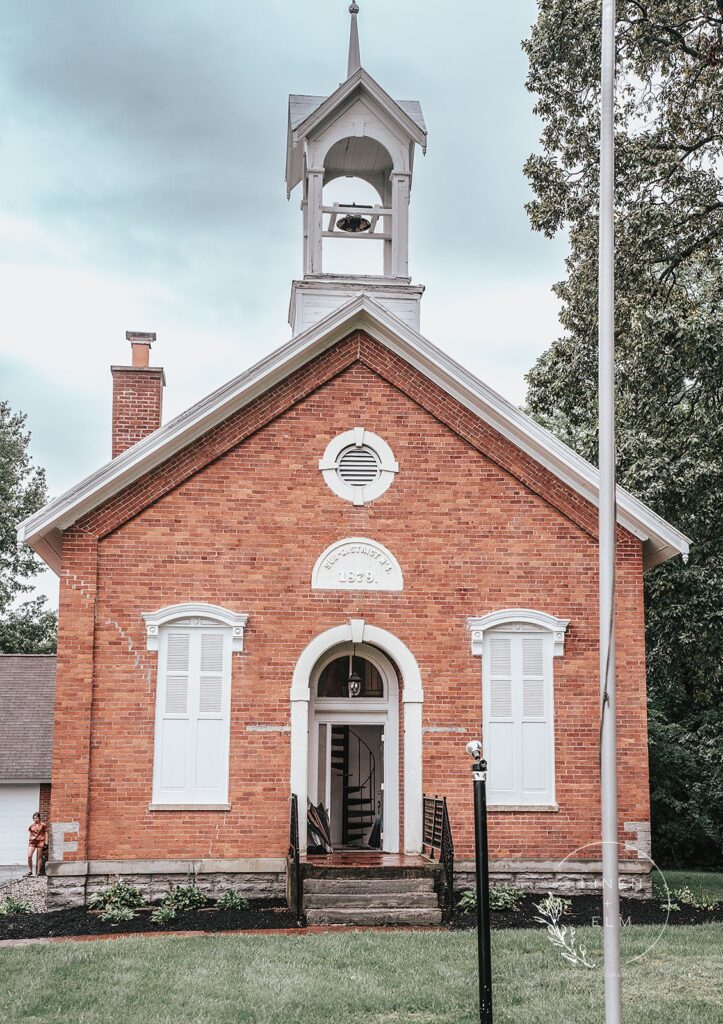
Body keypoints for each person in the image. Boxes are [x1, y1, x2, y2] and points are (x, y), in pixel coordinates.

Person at [27, 811, 49, 877]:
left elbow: (46, 833)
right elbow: (30, 833)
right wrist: (30, 839)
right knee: (29, 856)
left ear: (39, 818)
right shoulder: (31, 826)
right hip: (32, 841)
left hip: (40, 841)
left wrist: (46, 843)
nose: (35, 819)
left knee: (39, 857)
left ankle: (38, 872)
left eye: (36, 818)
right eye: (34, 818)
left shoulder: (43, 825)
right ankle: (30, 871)